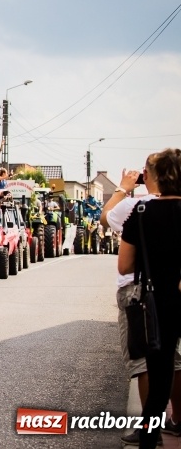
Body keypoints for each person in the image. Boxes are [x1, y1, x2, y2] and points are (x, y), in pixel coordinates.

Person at [104, 166, 181, 446]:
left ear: (150, 176)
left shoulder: (136, 207)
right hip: (174, 294)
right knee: (175, 360)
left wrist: (124, 186)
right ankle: (178, 420)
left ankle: (150, 429)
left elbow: (106, 218)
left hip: (141, 292)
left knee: (145, 361)